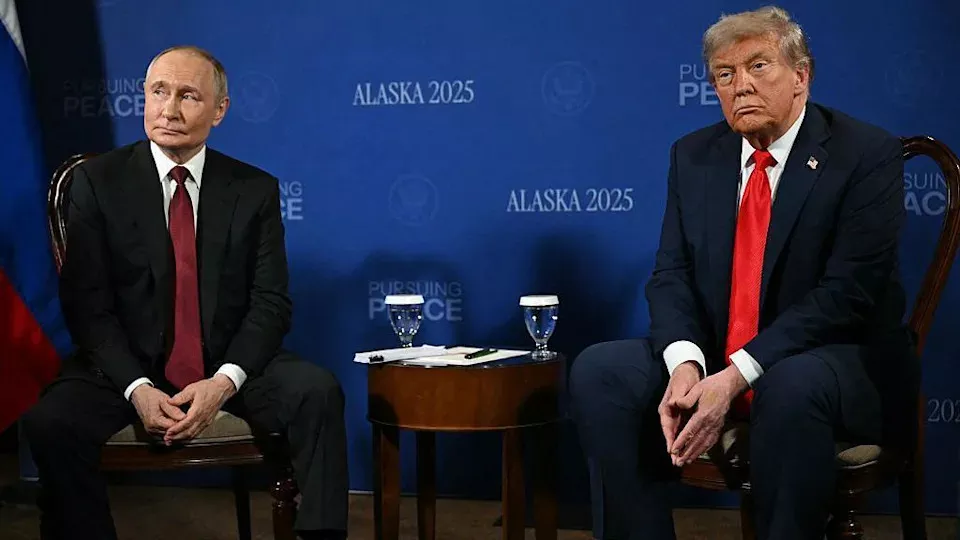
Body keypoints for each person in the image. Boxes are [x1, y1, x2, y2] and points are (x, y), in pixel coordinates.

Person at [569, 6, 918, 540]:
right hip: (720, 354)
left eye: (758, 66)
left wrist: (737, 375)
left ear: (801, 76)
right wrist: (686, 365)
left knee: (789, 382)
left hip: (837, 363)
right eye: (725, 75)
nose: (741, 86)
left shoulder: (864, 154)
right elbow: (671, 274)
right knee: (602, 370)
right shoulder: (694, 155)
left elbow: (848, 295)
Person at [22, 46, 348, 540]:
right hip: (125, 369)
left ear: (219, 110)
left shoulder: (253, 189)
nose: (169, 109)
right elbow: (87, 306)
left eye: (189, 96)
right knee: (51, 422)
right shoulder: (98, 182)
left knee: (316, 392)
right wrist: (138, 387)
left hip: (225, 363)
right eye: (159, 92)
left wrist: (223, 382)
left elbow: (270, 303)